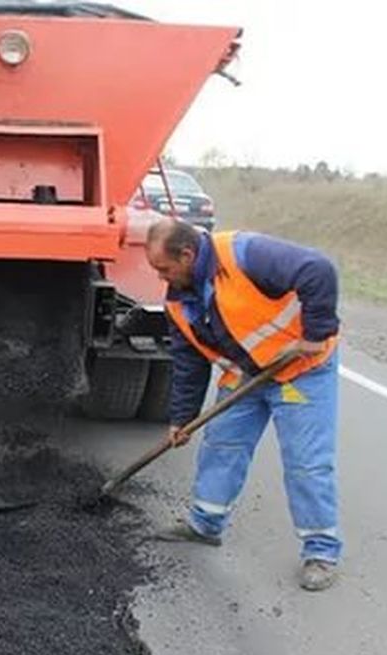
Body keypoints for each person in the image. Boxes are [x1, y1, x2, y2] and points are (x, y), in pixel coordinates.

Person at [145, 217, 343, 591]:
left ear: (186, 255)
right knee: (222, 445)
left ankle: (321, 551)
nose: (160, 277)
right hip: (246, 375)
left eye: (163, 268)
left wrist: (317, 335)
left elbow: (318, 269)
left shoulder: (244, 253)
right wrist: (182, 419)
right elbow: (189, 363)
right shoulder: (177, 301)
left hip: (300, 370)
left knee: (306, 462)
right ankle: (205, 525)